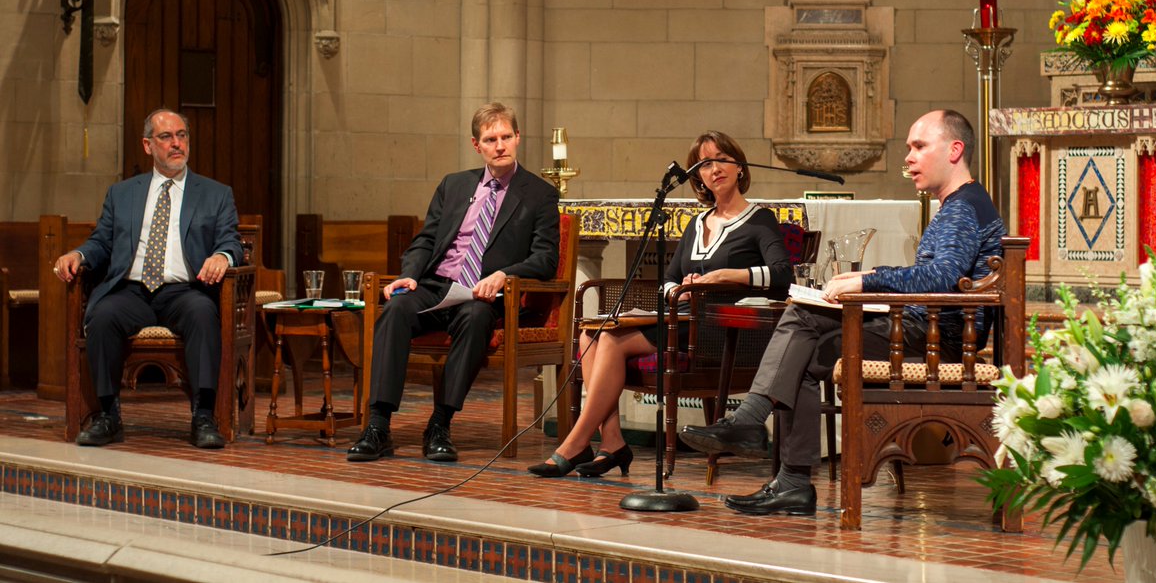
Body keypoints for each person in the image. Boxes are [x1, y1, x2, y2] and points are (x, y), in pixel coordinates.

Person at [681, 110, 1005, 515]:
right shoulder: (961, 204)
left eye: (919, 147)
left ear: (955, 150)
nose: (908, 157)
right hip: (921, 330)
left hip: (935, 340)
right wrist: (871, 276)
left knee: (801, 317)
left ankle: (753, 423)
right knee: (802, 355)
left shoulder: (963, 206)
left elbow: (941, 277)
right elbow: (938, 273)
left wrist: (867, 282)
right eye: (908, 148)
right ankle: (792, 482)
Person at [528, 130, 791, 478]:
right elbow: (668, 277)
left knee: (607, 339)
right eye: (705, 163)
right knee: (589, 337)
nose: (715, 169)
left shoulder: (760, 221)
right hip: (681, 320)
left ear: (740, 167)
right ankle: (611, 442)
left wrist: (726, 275)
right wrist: (676, 291)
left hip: (720, 329)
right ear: (697, 176)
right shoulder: (697, 224)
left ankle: (576, 443)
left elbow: (782, 274)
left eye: (722, 160)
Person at [348, 103, 560, 463]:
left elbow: (545, 258)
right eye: (491, 139)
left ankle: (440, 425)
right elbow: (426, 239)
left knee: (477, 318)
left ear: (518, 138)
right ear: (477, 145)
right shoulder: (454, 184)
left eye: (506, 137)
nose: (500, 145)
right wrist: (409, 275)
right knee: (396, 307)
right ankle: (378, 426)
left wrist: (505, 274)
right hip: (436, 285)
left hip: (481, 294)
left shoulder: (539, 194)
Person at [53, 108, 244, 450]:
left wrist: (222, 256)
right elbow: (101, 242)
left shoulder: (215, 194)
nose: (176, 144)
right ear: (147, 145)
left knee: (203, 314)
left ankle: (203, 416)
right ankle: (108, 415)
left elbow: (230, 241)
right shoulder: (122, 193)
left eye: (182, 135)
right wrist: (78, 255)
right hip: (132, 290)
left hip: (184, 290)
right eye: (166, 137)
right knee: (101, 317)